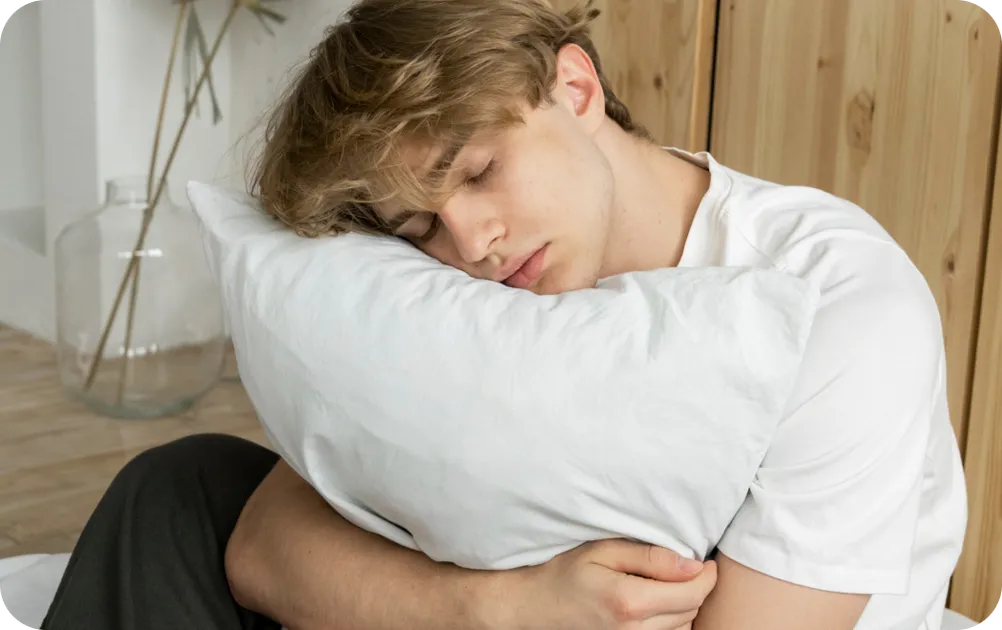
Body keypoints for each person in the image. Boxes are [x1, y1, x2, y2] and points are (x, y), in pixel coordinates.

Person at [40, 0, 968, 629]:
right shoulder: (458, 270)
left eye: (480, 171)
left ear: (575, 87)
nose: (472, 239)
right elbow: (265, 541)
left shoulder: (839, 306)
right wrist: (504, 605)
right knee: (183, 490)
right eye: (419, 224)